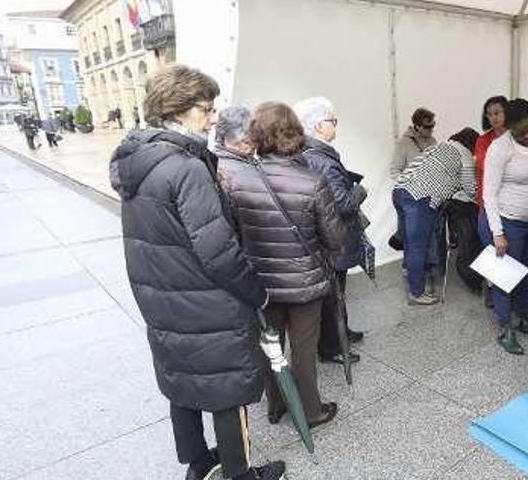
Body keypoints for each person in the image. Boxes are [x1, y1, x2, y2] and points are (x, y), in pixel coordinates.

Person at [108, 65, 286, 480]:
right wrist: (256, 292)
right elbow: (218, 251)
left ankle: (198, 462)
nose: (212, 118)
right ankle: (240, 474)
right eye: (206, 109)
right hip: (205, 299)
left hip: (163, 295)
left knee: (182, 383)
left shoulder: (139, 158)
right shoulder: (185, 167)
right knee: (228, 390)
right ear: (179, 110)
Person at [218, 102, 348, 429]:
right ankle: (311, 410)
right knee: (303, 350)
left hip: (261, 284)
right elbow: (335, 239)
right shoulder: (312, 181)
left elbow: (231, 235)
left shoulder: (235, 180)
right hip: (305, 283)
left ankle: (276, 405)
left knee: (270, 346)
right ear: (294, 132)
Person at [293, 96, 366, 365]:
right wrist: (359, 190)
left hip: (326, 237)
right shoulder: (321, 158)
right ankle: (332, 346)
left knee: (337, 292)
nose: (335, 124)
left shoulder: (311, 153)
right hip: (332, 238)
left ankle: (341, 333)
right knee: (333, 295)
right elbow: (342, 204)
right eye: (331, 120)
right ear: (317, 126)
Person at [479, 98, 528, 354]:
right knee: (504, 277)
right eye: (520, 133)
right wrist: (497, 233)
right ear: (510, 129)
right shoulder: (500, 148)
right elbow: (489, 195)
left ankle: (523, 318)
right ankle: (505, 327)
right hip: (507, 223)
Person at [392, 127, 479, 305]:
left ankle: (409, 270)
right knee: (419, 246)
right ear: (472, 144)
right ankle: (416, 294)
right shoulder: (464, 154)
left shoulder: (438, 146)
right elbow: (471, 190)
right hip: (419, 198)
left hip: (399, 192)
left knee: (409, 240)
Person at [474, 96, 508, 209]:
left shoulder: (516, 137)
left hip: (511, 201)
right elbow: (486, 165)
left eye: (497, 113)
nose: (494, 117)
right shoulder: (483, 140)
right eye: (489, 114)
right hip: (488, 201)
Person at [389, 107, 436, 181]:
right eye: (427, 127)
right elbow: (394, 172)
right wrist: (409, 183)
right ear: (417, 126)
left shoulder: (433, 141)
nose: (431, 129)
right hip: (413, 189)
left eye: (433, 125)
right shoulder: (404, 143)